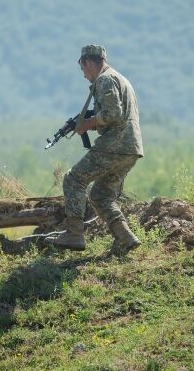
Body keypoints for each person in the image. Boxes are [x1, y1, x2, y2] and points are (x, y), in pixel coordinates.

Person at [45, 45, 144, 255]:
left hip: (114, 145)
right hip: (131, 149)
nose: (84, 76)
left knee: (74, 179)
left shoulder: (105, 79)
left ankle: (73, 233)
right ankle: (125, 237)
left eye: (83, 70)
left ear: (88, 63)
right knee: (101, 195)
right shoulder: (120, 79)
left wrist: (87, 124)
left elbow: (113, 113)